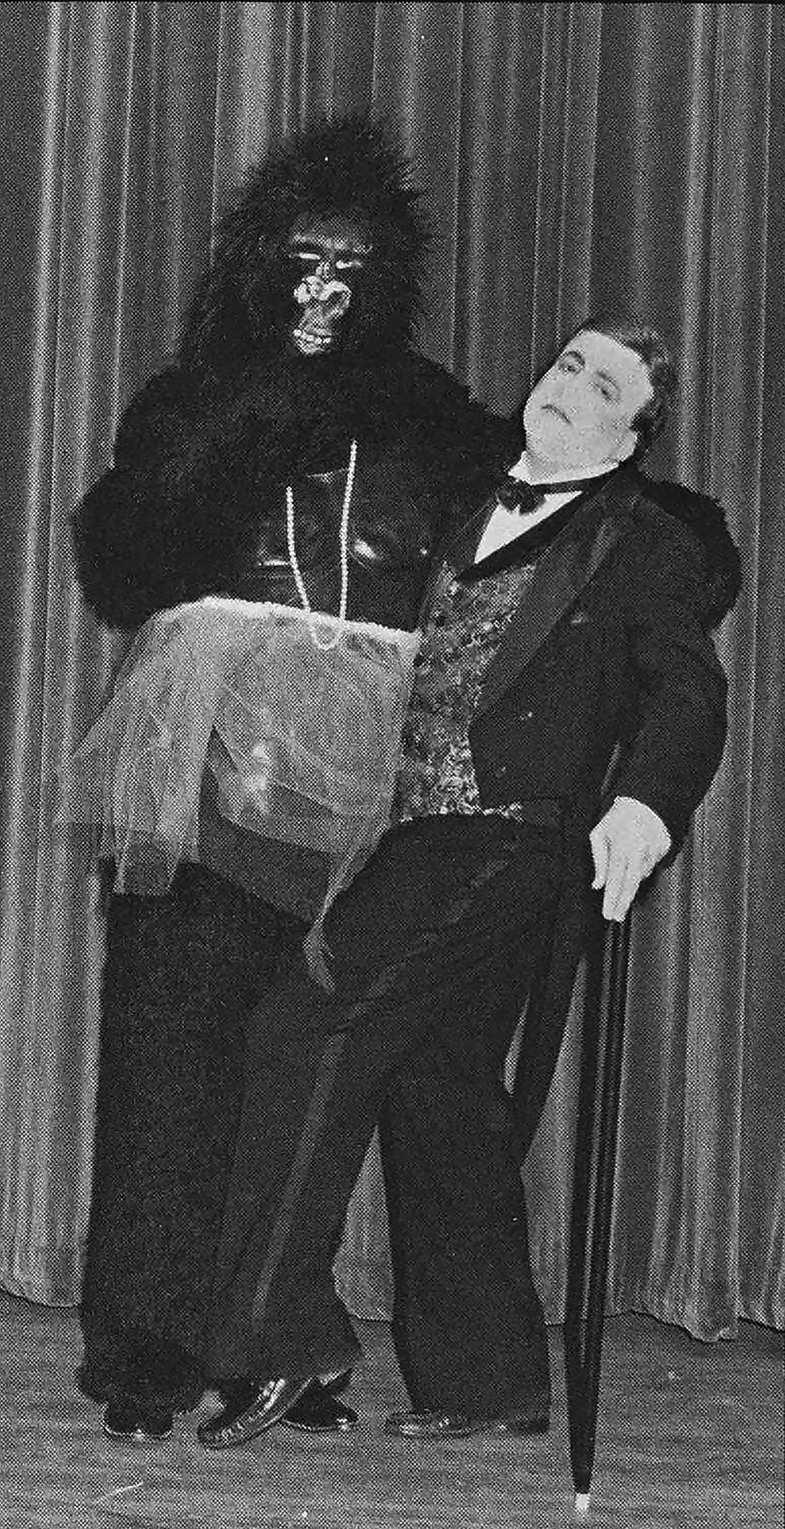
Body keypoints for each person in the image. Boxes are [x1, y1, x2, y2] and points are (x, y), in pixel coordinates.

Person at [192, 316, 741, 1449]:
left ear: (629, 439)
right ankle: (490, 1374)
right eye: (568, 364)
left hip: (509, 840)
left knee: (307, 1021)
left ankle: (280, 1338)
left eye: (604, 387)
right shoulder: (466, 504)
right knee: (438, 1083)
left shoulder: (642, 542)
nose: (571, 385)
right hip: (412, 828)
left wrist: (646, 801)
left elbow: (686, 690)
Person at [64, 116, 501, 1443]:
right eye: (303, 262)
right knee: (172, 1052)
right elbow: (125, 562)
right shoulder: (193, 397)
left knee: (298, 1064)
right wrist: (248, 423)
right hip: (206, 737)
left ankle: (269, 1341)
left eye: (351, 269)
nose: (324, 292)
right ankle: (147, 1350)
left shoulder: (424, 408)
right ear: (260, 267)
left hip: (369, 754)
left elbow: (514, 529)